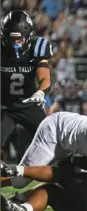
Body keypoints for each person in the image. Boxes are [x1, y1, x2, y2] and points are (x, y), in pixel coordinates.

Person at [1, 10, 53, 160]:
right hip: (4, 106)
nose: (15, 44)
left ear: (29, 36)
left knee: (51, 140)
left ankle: (68, 174)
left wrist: (41, 92)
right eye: (11, 39)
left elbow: (44, 77)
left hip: (28, 104)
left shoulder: (37, 47)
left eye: (19, 39)